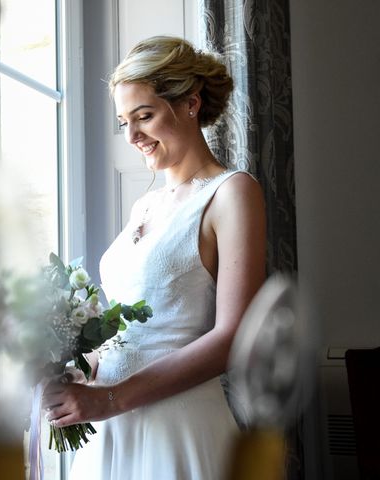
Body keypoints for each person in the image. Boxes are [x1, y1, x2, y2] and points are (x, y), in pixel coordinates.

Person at [42, 36, 266, 479]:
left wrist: (111, 399)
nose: (132, 136)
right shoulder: (143, 207)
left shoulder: (233, 193)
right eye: (124, 121)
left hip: (178, 425)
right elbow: (130, 332)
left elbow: (234, 336)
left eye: (144, 116)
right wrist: (79, 373)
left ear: (190, 104)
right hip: (111, 427)